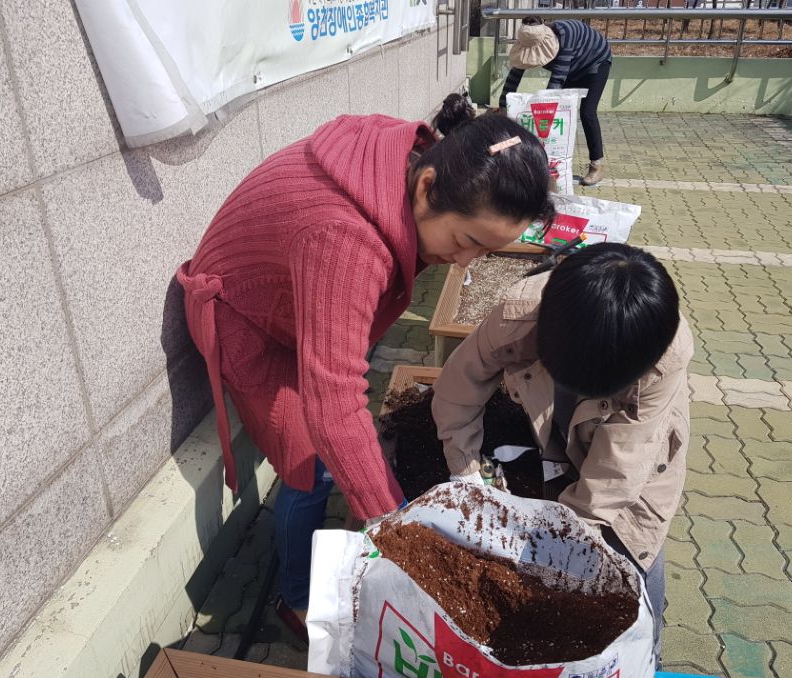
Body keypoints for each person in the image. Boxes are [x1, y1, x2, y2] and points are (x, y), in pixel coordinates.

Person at [176, 94, 554, 644]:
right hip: (245, 314)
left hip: (290, 301)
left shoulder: (410, 159)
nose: (467, 262)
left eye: (485, 251)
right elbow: (332, 399)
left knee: (337, 455)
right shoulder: (345, 239)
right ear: (427, 188)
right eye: (467, 241)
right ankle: (295, 598)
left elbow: (337, 373)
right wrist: (396, 530)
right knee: (307, 467)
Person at [431, 243, 692, 665]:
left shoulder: (663, 358)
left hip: (639, 459)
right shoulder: (521, 314)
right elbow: (460, 387)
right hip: (554, 424)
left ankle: (647, 660)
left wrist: (551, 549)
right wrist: (465, 473)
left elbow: (617, 473)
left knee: (636, 546)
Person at [499, 16, 612, 187]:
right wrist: (502, 107)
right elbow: (514, 76)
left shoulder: (566, 36)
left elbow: (556, 82)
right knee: (561, 116)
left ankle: (596, 165)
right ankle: (554, 161)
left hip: (595, 63)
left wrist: (542, 113)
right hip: (572, 68)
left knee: (587, 112)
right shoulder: (528, 41)